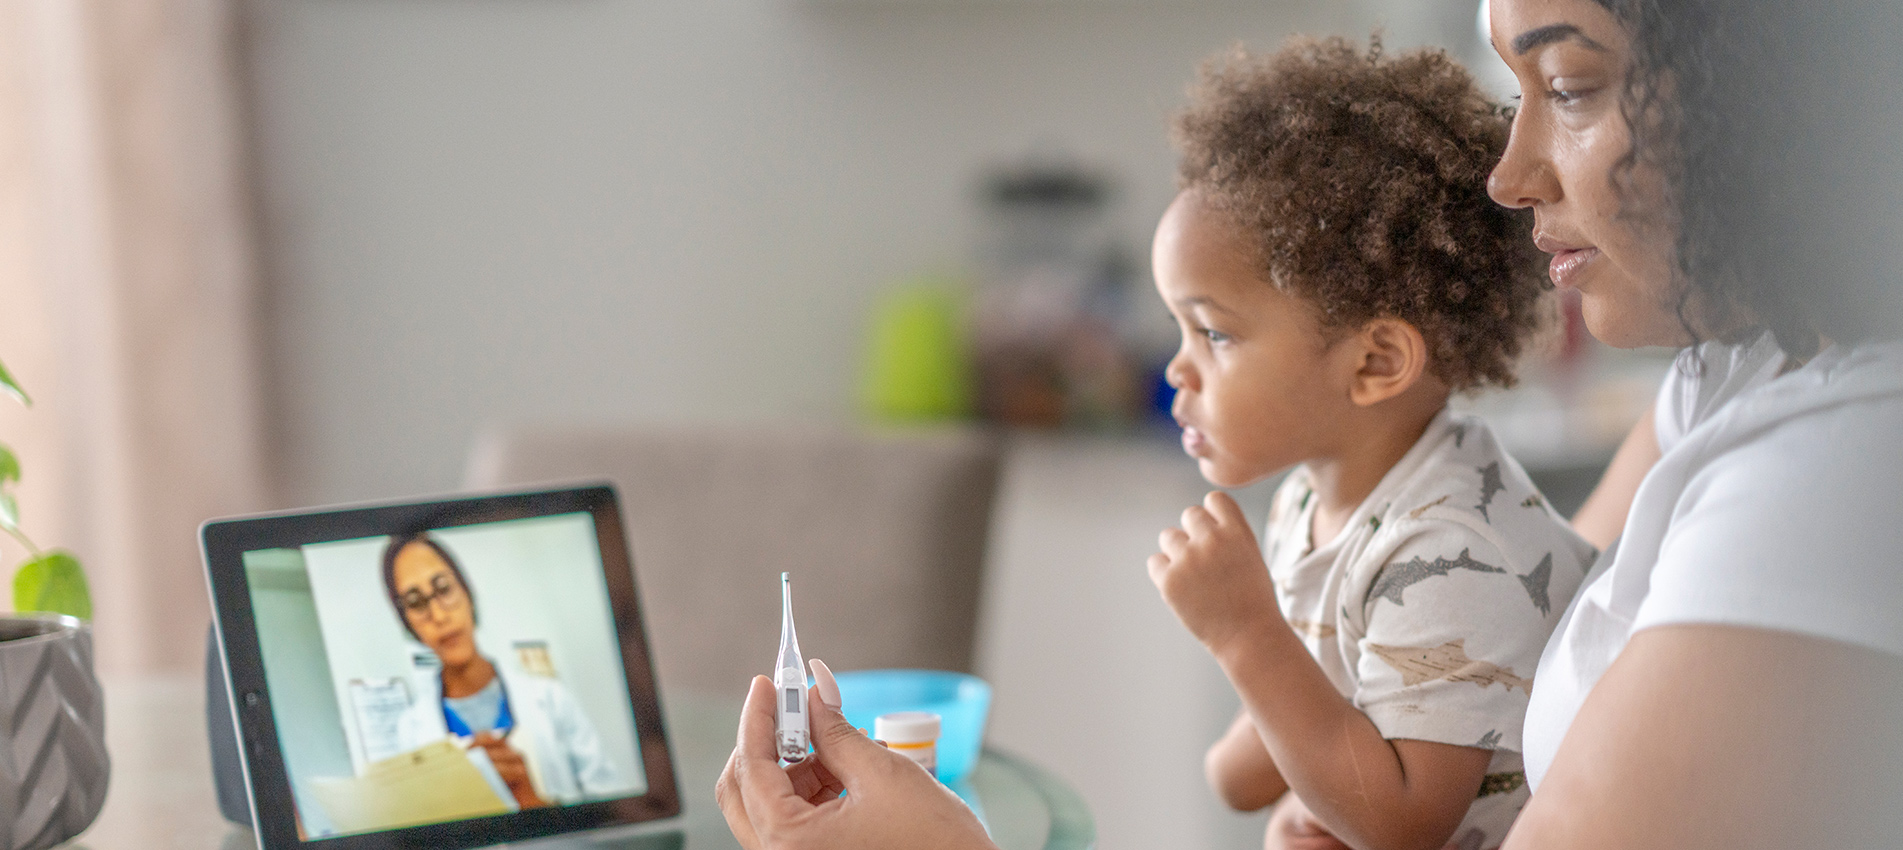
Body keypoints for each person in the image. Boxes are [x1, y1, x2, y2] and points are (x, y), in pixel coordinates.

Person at [717, 0, 1903, 846]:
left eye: (1573, 85)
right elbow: (1290, 749)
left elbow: (1394, 788)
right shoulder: (1728, 374)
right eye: (1514, 91)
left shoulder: (1821, 477)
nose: (1510, 171)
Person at [1143, 38, 1595, 850]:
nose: (1177, 365)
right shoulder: (1313, 500)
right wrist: (1247, 645)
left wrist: (1243, 634)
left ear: (1374, 362)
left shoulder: (1455, 549)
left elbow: (1400, 824)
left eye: (1213, 332)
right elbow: (1242, 777)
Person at [382, 532, 628, 809]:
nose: (439, 616)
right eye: (416, 603)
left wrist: (535, 807)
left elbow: (614, 815)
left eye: (444, 589)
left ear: (467, 593)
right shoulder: (411, 731)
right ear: (407, 624)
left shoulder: (550, 698)